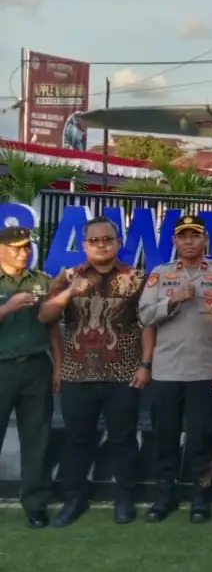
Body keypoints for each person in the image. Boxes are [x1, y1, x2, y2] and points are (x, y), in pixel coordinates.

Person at [37, 217, 147, 527]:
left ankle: (124, 497)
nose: (102, 245)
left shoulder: (135, 278)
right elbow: (45, 315)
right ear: (84, 245)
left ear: (118, 243)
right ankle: (74, 499)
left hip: (123, 373)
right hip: (76, 372)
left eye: (108, 239)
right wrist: (69, 292)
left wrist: (144, 364)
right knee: (78, 440)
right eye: (95, 240)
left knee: (123, 438)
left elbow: (149, 324)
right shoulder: (68, 276)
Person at [137, 215, 212, 524]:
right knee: (164, 436)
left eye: (195, 236)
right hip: (166, 370)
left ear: (205, 240)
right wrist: (171, 301)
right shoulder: (161, 275)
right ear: (175, 242)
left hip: (205, 369)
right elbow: (144, 316)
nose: (189, 242)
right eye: (183, 236)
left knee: (202, 437)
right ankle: (164, 495)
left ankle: (200, 496)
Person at [0, 226, 60, 529]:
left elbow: (52, 328)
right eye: (16, 247)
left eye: (26, 247)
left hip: (36, 366)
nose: (23, 252)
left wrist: (58, 366)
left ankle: (35, 504)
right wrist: (7, 307)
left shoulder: (41, 280)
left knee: (37, 438)